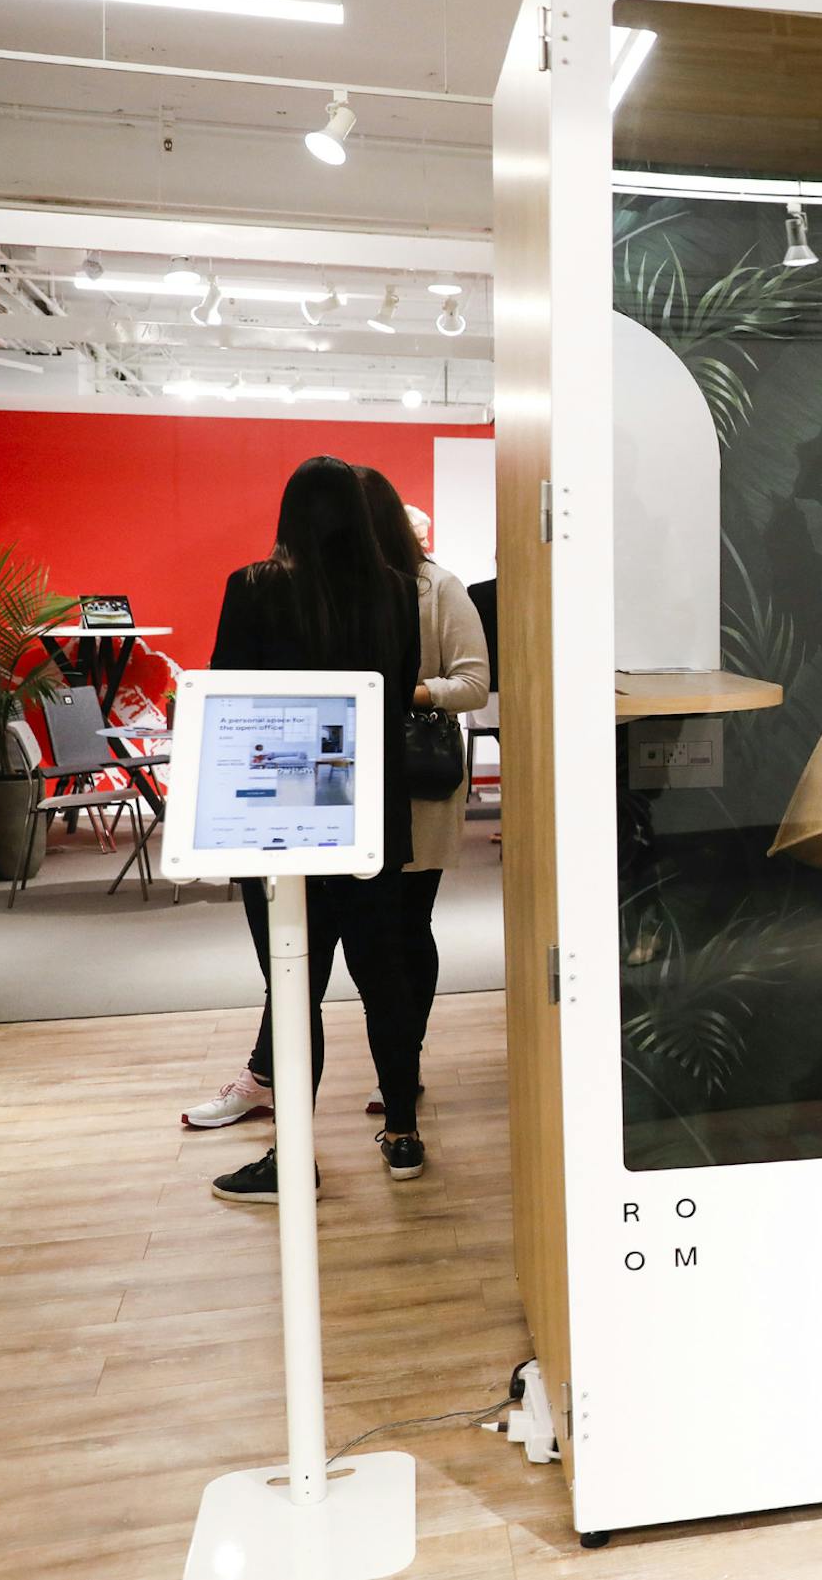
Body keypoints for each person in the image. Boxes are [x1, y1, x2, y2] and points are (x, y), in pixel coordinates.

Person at [180, 455, 429, 1195]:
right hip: (372, 818)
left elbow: (229, 696)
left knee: (295, 987)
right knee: (386, 980)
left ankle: (295, 1156)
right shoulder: (394, 593)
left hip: (283, 825)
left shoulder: (252, 588)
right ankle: (404, 1134)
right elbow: (399, 694)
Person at [354, 467, 490, 1114]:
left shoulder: (439, 588)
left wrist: (401, 691)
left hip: (418, 773)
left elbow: (473, 685)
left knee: (409, 922)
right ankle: (397, 1062)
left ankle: (404, 1063)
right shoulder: (338, 590)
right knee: (373, 931)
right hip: (352, 779)